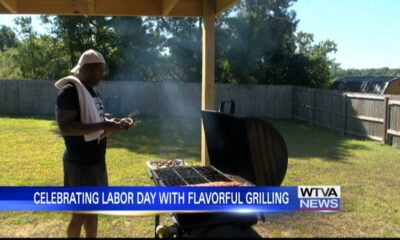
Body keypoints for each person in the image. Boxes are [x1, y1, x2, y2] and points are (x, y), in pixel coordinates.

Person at [55, 49, 134, 238]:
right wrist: (105, 124)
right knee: (80, 213)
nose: (103, 74)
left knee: (93, 210)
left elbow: (95, 118)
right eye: (100, 70)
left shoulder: (92, 92)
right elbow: (66, 127)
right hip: (79, 164)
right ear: (87, 69)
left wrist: (116, 123)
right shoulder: (70, 91)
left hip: (96, 161)